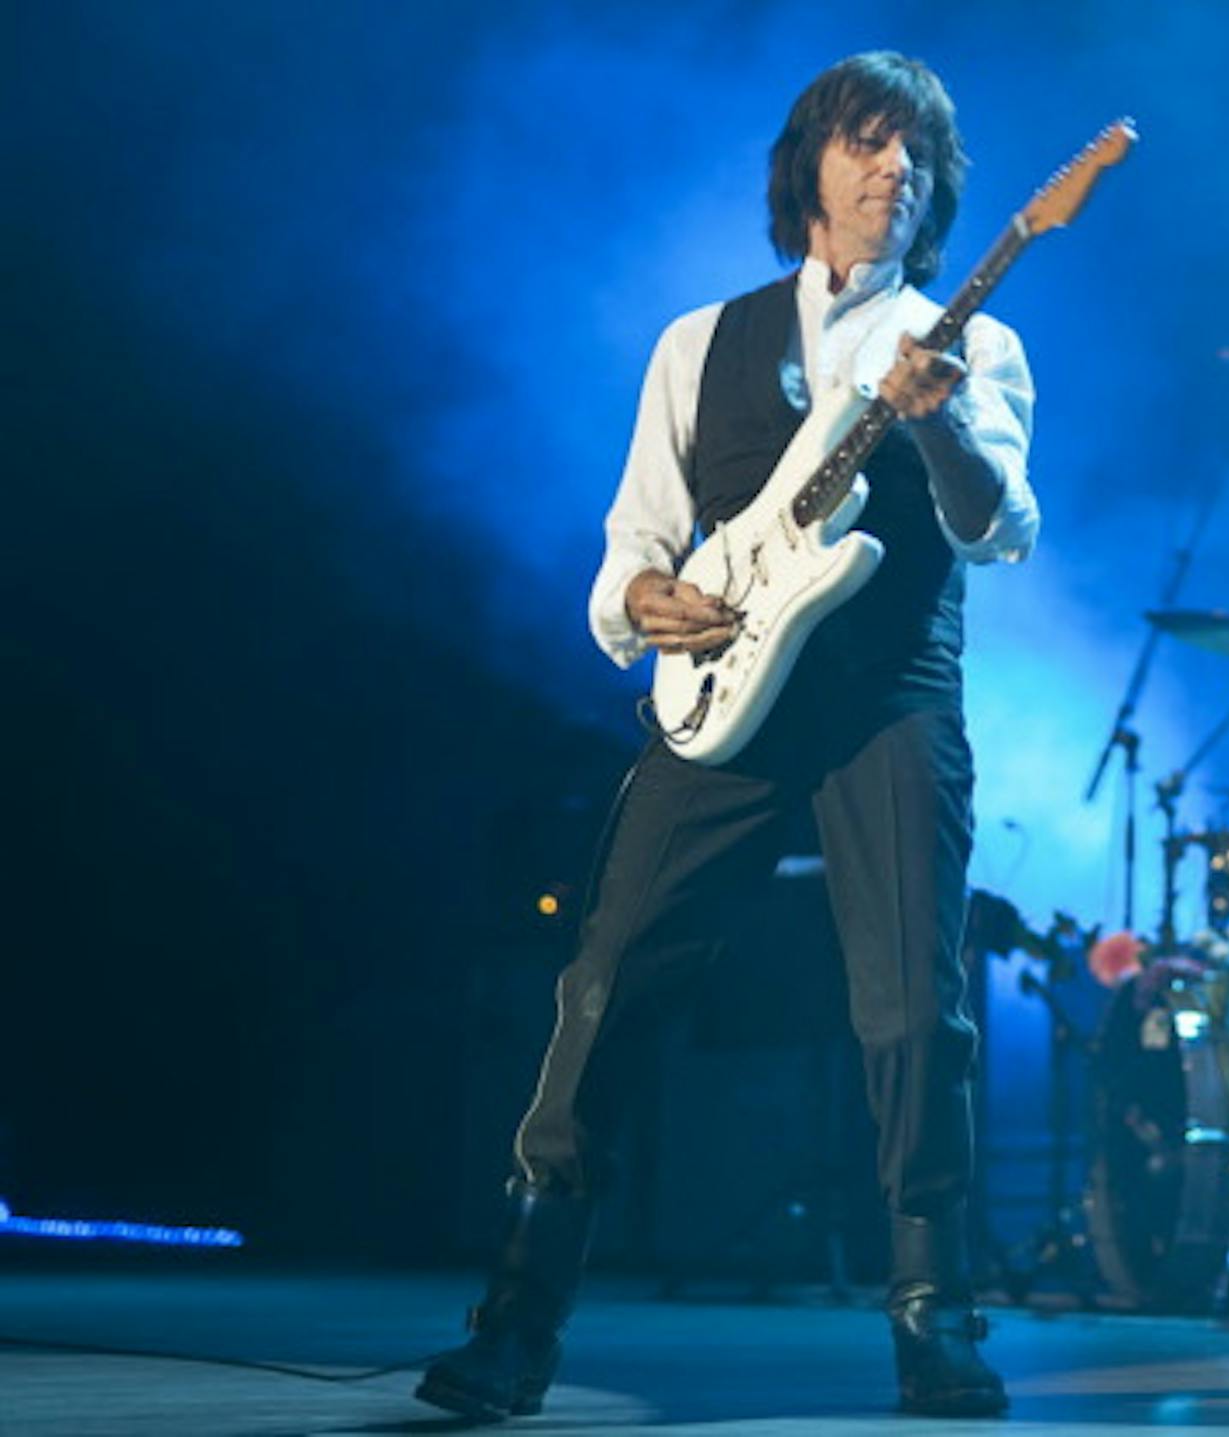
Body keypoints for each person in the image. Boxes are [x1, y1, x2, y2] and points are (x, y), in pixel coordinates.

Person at [416, 51, 1035, 1422]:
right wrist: (644, 600)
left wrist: (938, 428)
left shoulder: (968, 345)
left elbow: (999, 530)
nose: (897, 169)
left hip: (889, 695)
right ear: (810, 164)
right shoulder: (698, 342)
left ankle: (935, 1319)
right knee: (605, 985)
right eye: (870, 143)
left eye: (918, 155)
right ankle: (515, 1326)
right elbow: (633, 544)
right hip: (725, 693)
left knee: (913, 1012)